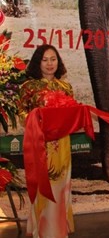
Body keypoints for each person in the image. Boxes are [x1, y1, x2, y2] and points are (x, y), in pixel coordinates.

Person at [19, 45, 74, 238]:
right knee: (44, 186)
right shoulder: (28, 87)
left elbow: (72, 115)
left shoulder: (65, 87)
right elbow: (21, 114)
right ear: (37, 62)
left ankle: (59, 229)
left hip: (62, 144)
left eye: (53, 59)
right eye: (45, 60)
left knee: (61, 187)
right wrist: (37, 121)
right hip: (40, 143)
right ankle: (42, 230)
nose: (50, 64)